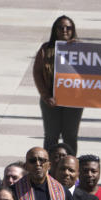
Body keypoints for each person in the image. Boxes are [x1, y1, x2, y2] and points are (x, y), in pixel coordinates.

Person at [33, 16, 83, 153]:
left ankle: (71, 166)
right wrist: (45, 95)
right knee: (51, 136)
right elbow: (37, 73)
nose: (65, 30)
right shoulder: (45, 49)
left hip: (74, 101)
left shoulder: (81, 48)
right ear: (55, 30)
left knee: (70, 136)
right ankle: (48, 168)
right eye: (61, 27)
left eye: (68, 27)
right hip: (51, 100)